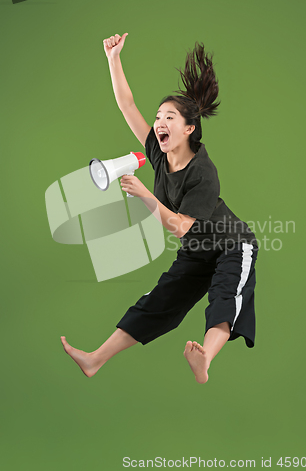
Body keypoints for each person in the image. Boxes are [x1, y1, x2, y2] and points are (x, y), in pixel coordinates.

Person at [61, 33, 259, 384]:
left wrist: (146, 198)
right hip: (196, 252)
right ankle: (94, 359)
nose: (159, 123)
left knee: (225, 299)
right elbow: (126, 105)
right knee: (158, 301)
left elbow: (183, 227)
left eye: (169, 117)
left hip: (232, 244)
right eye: (158, 117)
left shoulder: (203, 172)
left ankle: (205, 362)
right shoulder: (159, 152)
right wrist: (113, 59)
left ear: (188, 128)